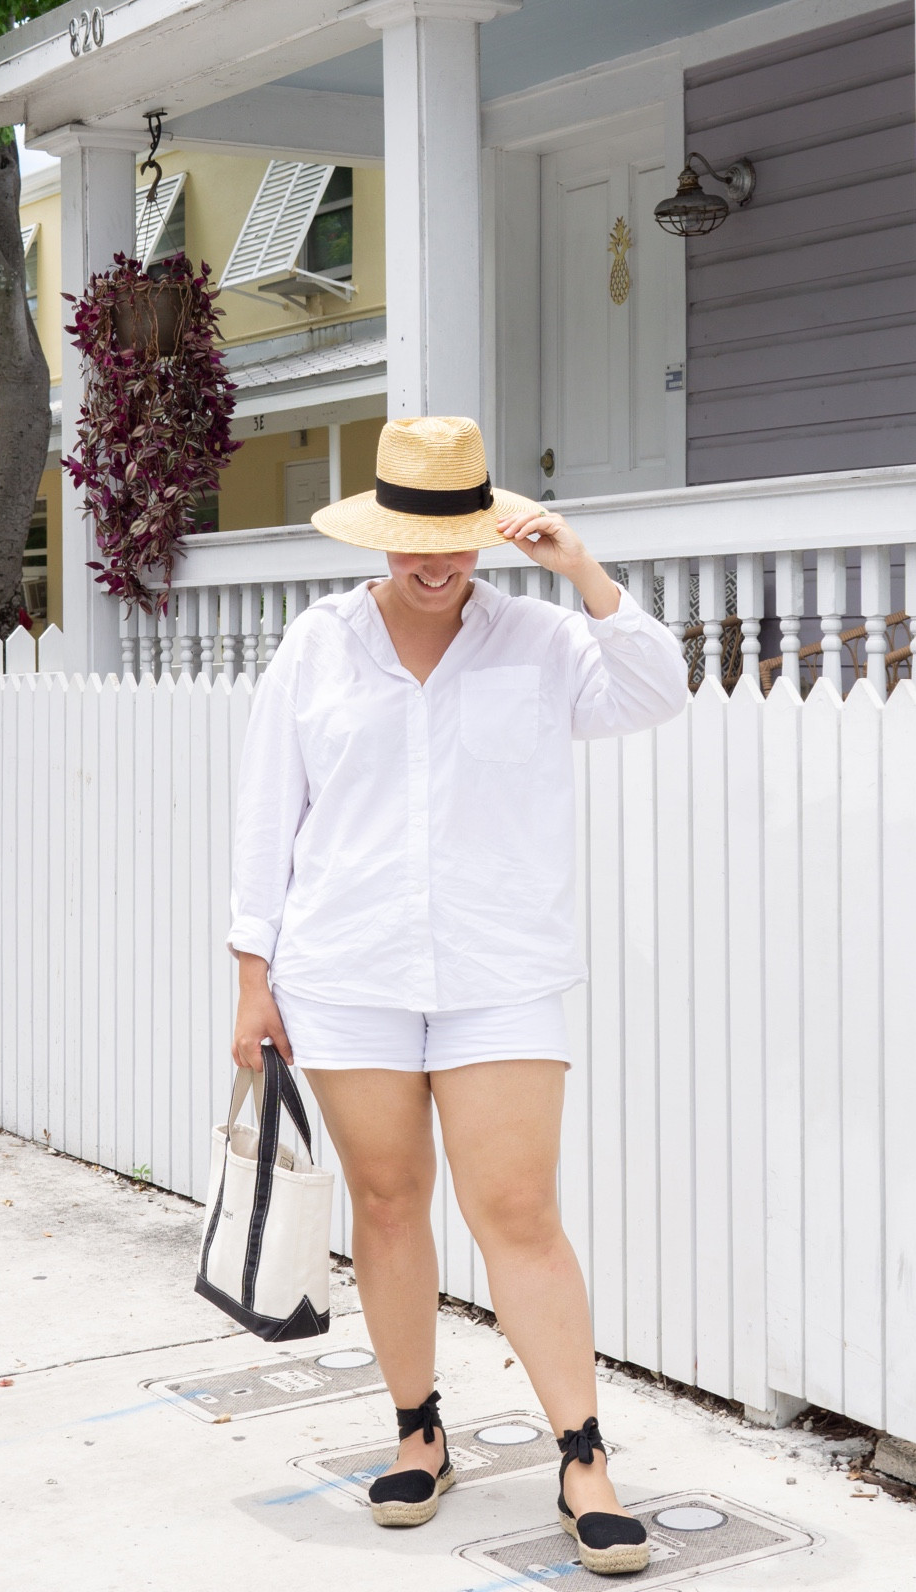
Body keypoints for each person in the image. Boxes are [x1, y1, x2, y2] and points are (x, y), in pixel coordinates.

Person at [228, 415, 688, 1576]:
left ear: (485, 532)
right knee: (387, 1203)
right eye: (409, 541)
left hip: (499, 972)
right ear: (378, 534)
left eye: (456, 540)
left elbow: (655, 689)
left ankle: (582, 1455)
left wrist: (580, 569)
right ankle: (416, 1429)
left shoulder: (539, 638)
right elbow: (265, 813)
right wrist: (251, 975)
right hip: (345, 972)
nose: (433, 564)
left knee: (517, 1210)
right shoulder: (318, 645)